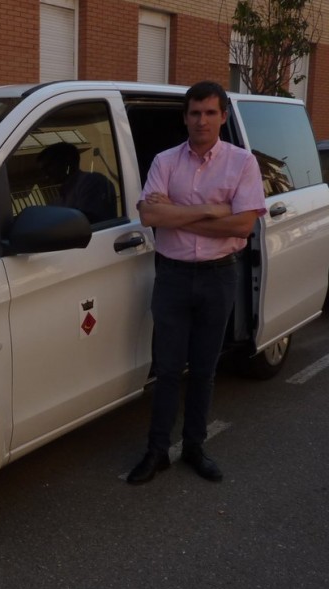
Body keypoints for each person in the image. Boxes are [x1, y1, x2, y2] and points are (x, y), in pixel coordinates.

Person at [127, 81, 267, 485]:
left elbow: (244, 223)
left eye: (209, 112)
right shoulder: (165, 161)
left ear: (223, 116)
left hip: (219, 276)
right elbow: (150, 217)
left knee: (205, 369)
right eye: (194, 113)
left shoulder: (242, 163)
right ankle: (157, 452)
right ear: (184, 116)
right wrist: (210, 209)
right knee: (168, 368)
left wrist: (177, 212)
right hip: (171, 276)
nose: (201, 120)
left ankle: (194, 447)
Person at [38, 142, 116, 223]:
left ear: (66, 163)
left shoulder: (92, 182)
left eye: (47, 167)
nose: (45, 175)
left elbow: (87, 223)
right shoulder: (59, 199)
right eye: (42, 170)